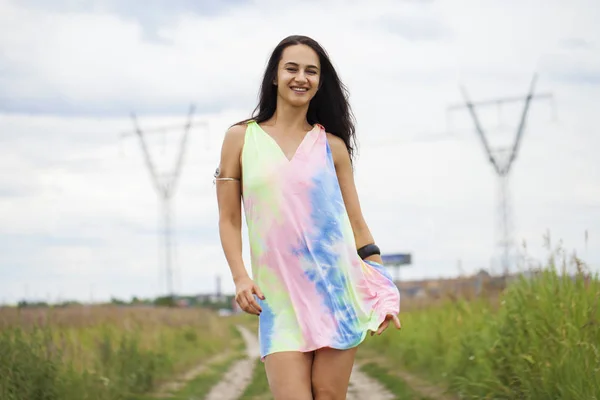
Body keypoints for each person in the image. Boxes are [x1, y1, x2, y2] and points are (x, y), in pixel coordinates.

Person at [215, 34, 401, 400]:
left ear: (319, 82)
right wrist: (240, 277)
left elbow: (358, 224)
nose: (301, 78)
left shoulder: (332, 147)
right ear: (274, 76)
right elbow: (229, 219)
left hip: (336, 293)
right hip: (279, 300)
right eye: (292, 68)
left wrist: (383, 290)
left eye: (311, 71)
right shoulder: (240, 138)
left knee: (329, 396)